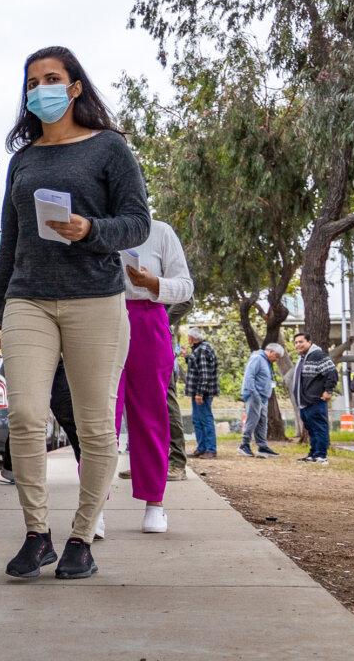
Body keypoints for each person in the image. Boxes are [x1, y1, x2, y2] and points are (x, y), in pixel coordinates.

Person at [0, 46, 150, 580]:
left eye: (51, 79)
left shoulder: (109, 148)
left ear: (74, 88)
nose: (40, 90)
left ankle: (82, 537)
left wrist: (90, 229)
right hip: (27, 298)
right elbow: (9, 244)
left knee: (95, 425)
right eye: (32, 83)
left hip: (95, 300)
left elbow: (137, 223)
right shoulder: (23, 160)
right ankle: (37, 535)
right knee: (26, 416)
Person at [112, 220, 193, 534]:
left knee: (151, 414)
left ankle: (154, 504)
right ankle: (94, 508)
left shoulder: (160, 232)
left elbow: (185, 286)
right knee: (101, 416)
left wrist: (154, 283)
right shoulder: (92, 224)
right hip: (102, 316)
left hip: (148, 317)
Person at [1, 360, 80, 482]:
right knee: (26, 413)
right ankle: (12, 467)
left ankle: (88, 465)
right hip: (33, 358)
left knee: (66, 411)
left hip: (62, 359)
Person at [292, 332, 338, 464]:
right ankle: (313, 454)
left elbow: (332, 373)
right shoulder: (303, 358)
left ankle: (321, 456)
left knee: (319, 428)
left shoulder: (318, 355)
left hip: (315, 401)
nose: (298, 345)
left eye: (301, 342)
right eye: (296, 342)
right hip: (304, 402)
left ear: (309, 342)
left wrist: (328, 391)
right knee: (312, 430)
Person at [238, 344, 285, 457]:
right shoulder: (257, 358)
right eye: (276, 356)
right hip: (254, 395)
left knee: (262, 422)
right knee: (252, 420)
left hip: (263, 397)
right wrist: (255, 395)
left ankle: (262, 447)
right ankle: (244, 445)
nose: (277, 359)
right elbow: (249, 377)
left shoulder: (266, 361)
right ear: (270, 351)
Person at [165, 300, 194, 480]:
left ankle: (177, 462)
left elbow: (187, 300)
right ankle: (147, 462)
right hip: (134, 339)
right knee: (140, 405)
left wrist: (160, 321)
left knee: (167, 402)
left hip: (158, 339)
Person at [185, 327, 219, 459]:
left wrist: (200, 393)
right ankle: (201, 448)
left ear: (192, 338)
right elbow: (196, 364)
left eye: (188, 337)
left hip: (202, 392)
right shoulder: (198, 349)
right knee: (197, 420)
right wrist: (187, 357)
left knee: (205, 419)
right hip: (196, 391)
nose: (188, 339)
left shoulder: (203, 349)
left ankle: (211, 449)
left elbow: (205, 374)